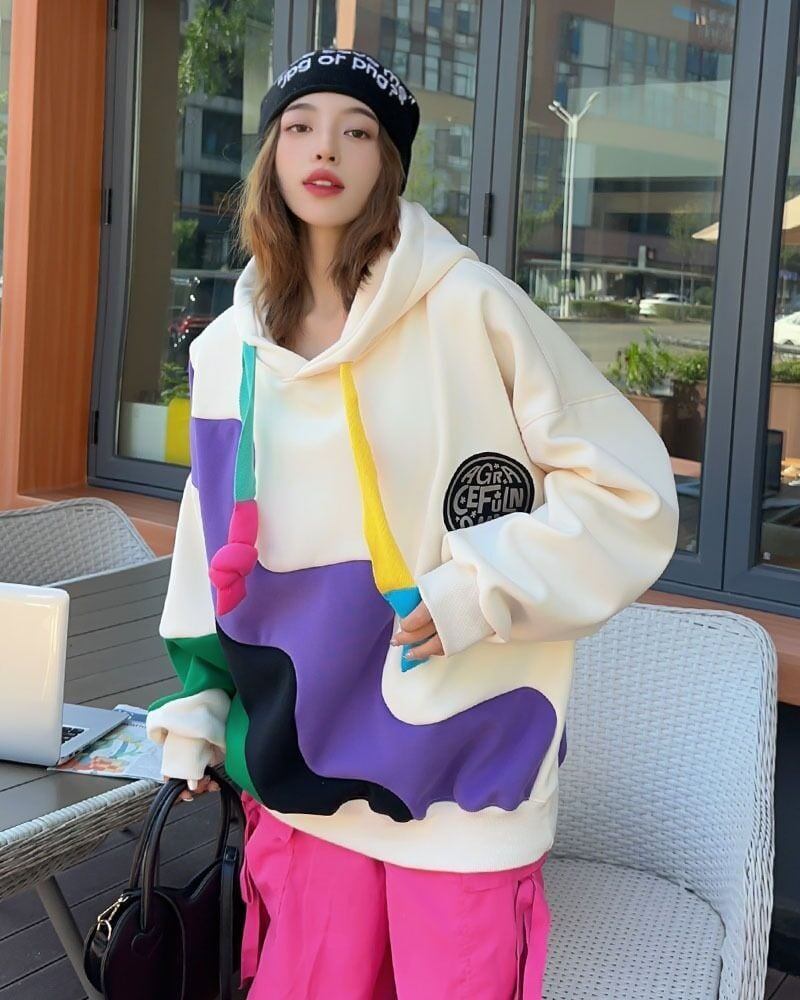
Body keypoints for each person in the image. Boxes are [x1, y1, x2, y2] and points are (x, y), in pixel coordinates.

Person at [145, 46, 680, 999]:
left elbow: (630, 492)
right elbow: (208, 538)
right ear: (270, 154)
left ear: (387, 164)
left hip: (464, 781)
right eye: (301, 126)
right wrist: (201, 704)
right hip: (300, 780)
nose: (326, 150)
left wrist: (482, 587)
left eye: (357, 132)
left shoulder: (471, 309)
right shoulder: (228, 352)